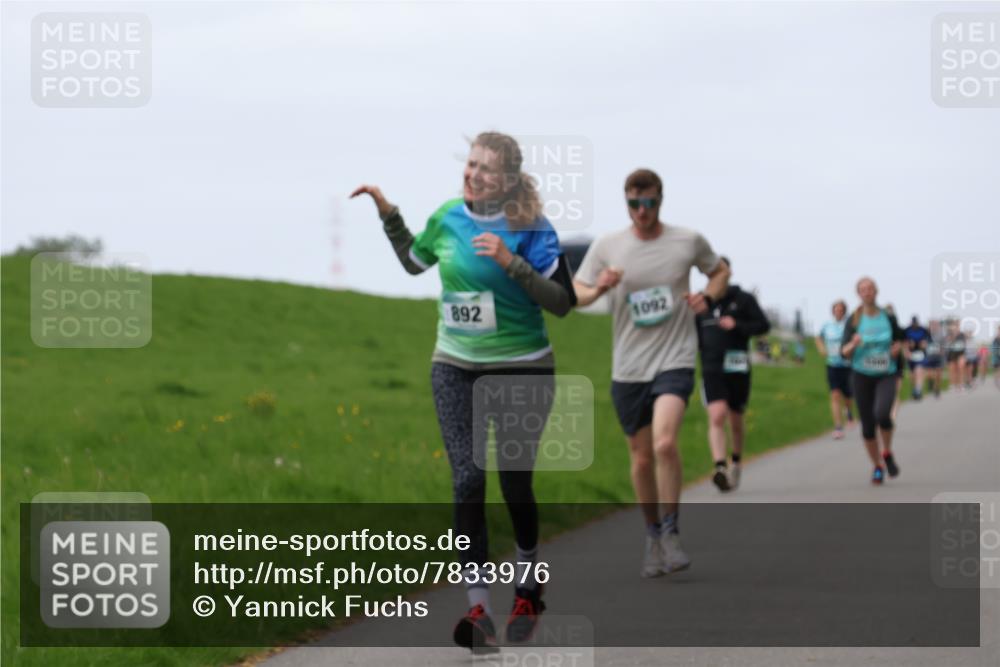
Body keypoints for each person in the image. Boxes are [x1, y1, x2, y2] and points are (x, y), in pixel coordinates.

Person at [351, 132, 577, 653]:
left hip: (522, 369)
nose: (473, 174)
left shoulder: (530, 228)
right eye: (470, 164)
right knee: (468, 479)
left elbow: (562, 302)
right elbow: (414, 261)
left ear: (509, 181)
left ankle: (528, 582)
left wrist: (510, 262)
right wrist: (388, 212)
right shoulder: (449, 216)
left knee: (514, 483)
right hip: (454, 366)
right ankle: (479, 610)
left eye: (486, 169)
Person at [572, 167, 730, 578]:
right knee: (641, 459)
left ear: (661, 200)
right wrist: (601, 287)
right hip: (629, 366)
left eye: (650, 203)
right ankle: (652, 535)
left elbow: (720, 271)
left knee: (663, 444)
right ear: (626, 202)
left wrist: (707, 298)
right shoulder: (609, 246)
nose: (642, 211)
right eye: (634, 204)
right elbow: (577, 292)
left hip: (675, 358)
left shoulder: (686, 241)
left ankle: (673, 531)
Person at [694, 257, 770, 491]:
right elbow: (693, 337)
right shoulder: (700, 304)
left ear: (728, 273)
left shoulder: (744, 299)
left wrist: (737, 324)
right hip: (711, 367)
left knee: (735, 419)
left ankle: (736, 462)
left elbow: (763, 325)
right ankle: (720, 466)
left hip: (737, 367)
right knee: (716, 415)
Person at [840, 277, 905, 485]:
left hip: (886, 372)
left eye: (869, 289)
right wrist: (853, 344)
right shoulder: (854, 319)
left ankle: (886, 451)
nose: (866, 292)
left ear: (876, 291)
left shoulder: (888, 316)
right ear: (858, 294)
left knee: (883, 414)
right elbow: (844, 352)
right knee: (867, 425)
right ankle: (877, 466)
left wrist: (897, 349)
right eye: (862, 289)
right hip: (861, 374)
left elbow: (899, 340)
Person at [816, 300, 855, 439]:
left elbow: (855, 339)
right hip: (832, 364)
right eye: (836, 309)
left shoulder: (849, 325)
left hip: (847, 365)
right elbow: (818, 337)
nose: (838, 312)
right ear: (832, 311)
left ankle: (849, 412)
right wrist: (821, 348)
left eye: (841, 309)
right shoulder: (827, 325)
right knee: (835, 394)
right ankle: (838, 427)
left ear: (844, 311)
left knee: (848, 396)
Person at [903, 315, 931, 400]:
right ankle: (914, 389)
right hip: (911, 354)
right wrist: (906, 351)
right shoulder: (907, 330)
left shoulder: (923, 330)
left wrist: (924, 344)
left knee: (919, 371)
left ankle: (918, 390)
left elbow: (928, 341)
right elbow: (904, 342)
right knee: (912, 375)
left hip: (921, 354)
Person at [924, 320, 945, 398]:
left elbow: (944, 346)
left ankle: (937, 389)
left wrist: (941, 351)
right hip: (929, 357)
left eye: (935, 325)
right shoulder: (926, 335)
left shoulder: (941, 336)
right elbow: (923, 345)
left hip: (939, 358)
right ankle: (931, 384)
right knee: (930, 375)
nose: (933, 327)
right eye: (932, 325)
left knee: (938, 375)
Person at [945, 320, 967, 392]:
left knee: (960, 368)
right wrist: (953, 335)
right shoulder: (949, 334)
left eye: (957, 325)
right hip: (952, 354)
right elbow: (948, 342)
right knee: (953, 370)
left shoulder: (962, 334)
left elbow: (964, 344)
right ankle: (953, 385)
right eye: (954, 325)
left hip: (960, 353)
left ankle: (961, 384)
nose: (956, 327)